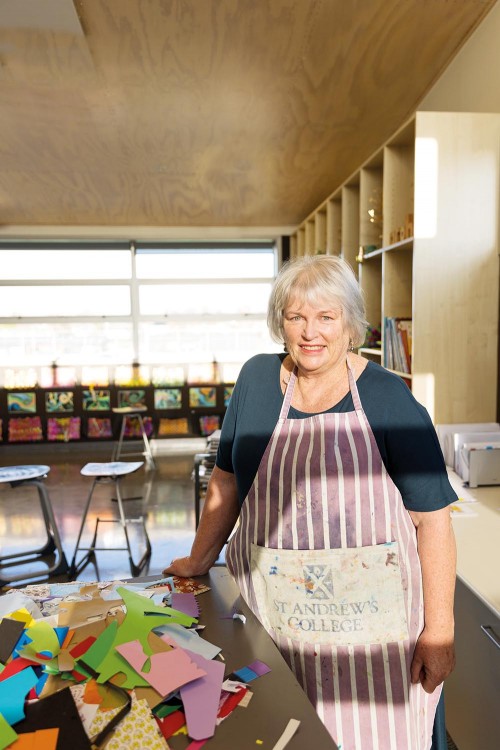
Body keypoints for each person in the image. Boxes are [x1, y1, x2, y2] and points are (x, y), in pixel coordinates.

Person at [164, 255, 457, 750]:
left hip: (373, 641)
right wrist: (198, 560)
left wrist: (440, 633)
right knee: (277, 732)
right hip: (273, 624)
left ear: (351, 325)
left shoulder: (390, 399)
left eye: (326, 317)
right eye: (296, 316)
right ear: (280, 322)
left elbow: (433, 523)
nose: (310, 332)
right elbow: (227, 481)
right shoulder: (256, 382)